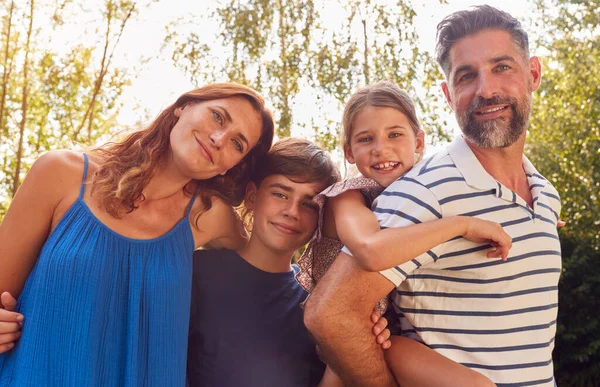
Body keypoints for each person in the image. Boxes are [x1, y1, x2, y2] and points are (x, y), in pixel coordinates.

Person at [304, 5, 562, 387]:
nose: (486, 89)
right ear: (448, 93)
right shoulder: (423, 190)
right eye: (466, 75)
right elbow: (330, 314)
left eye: (502, 67)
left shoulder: (545, 192)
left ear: (533, 74)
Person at [0, 83, 274, 386]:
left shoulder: (210, 217)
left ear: (234, 166)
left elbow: (265, 265)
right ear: (183, 106)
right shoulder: (60, 174)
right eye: (218, 117)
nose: (219, 138)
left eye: (238, 144)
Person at [296, 80, 509, 386]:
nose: (381, 148)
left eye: (394, 134)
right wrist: (464, 225)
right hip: (349, 340)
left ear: (419, 142)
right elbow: (371, 250)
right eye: (366, 139)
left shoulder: (418, 194)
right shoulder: (348, 197)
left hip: (385, 333)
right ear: (349, 152)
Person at [186, 137, 391, 387]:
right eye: (280, 194)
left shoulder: (318, 301)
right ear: (251, 196)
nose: (292, 212)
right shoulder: (200, 272)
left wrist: (349, 343)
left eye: (308, 204)